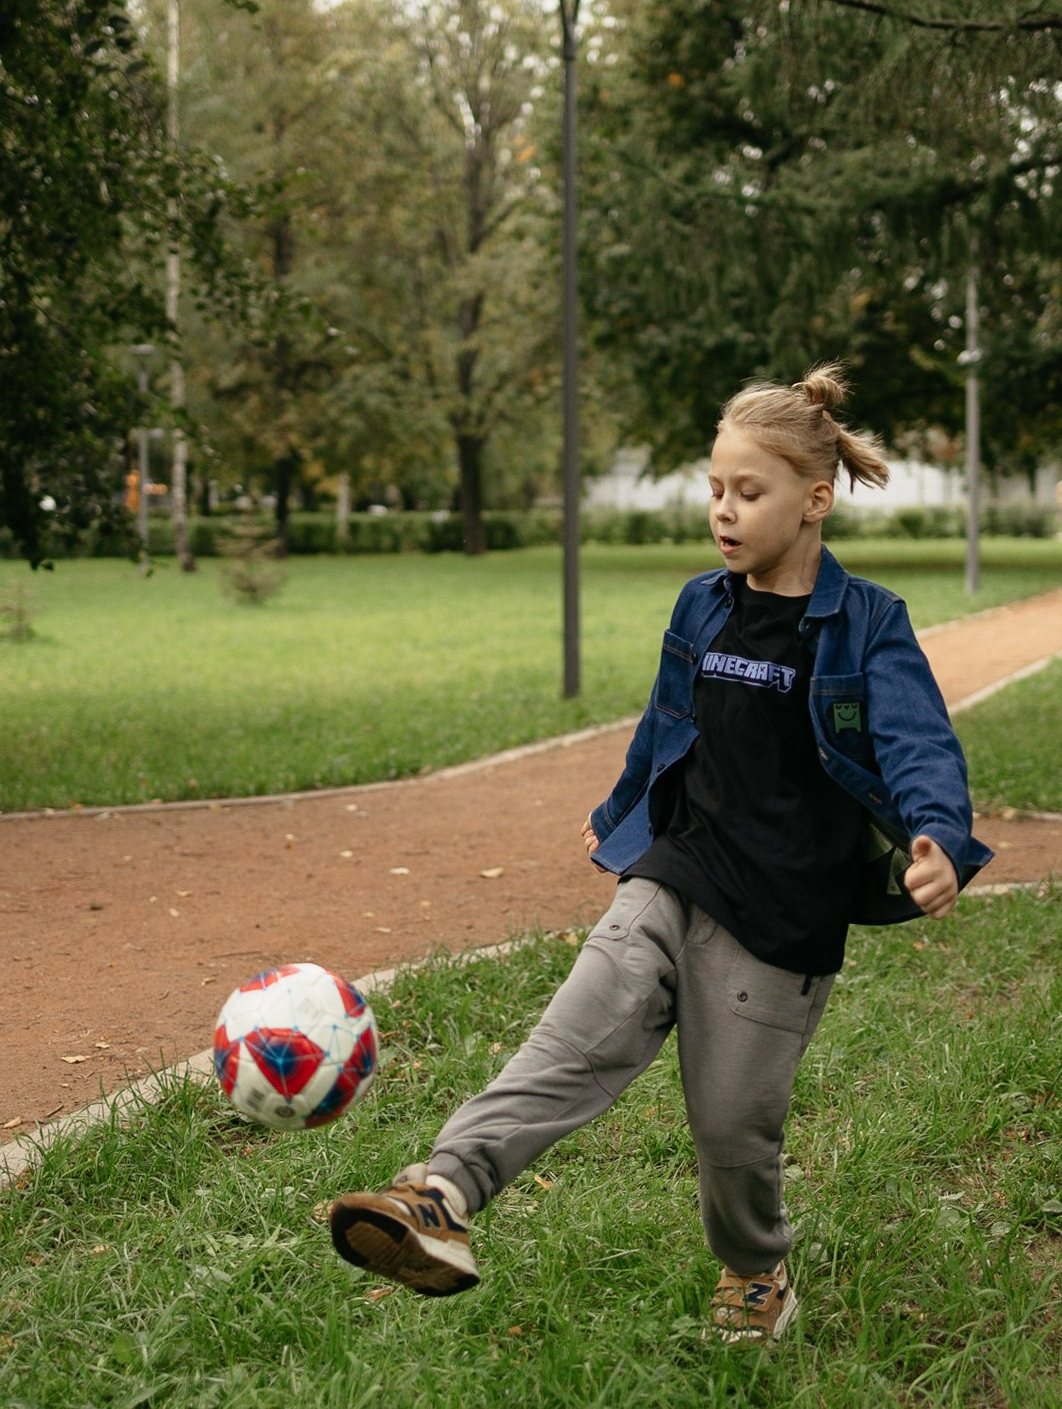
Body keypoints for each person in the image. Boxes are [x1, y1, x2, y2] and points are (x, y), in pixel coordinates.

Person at [329, 363, 992, 1343]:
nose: (723, 511)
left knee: (732, 1129)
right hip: (673, 874)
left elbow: (915, 740)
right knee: (566, 1040)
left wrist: (938, 834)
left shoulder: (866, 624)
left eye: (747, 492)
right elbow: (668, 720)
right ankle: (439, 1194)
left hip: (780, 920)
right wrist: (623, 803)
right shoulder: (701, 606)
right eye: (715, 490)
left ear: (815, 500)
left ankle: (755, 1271)